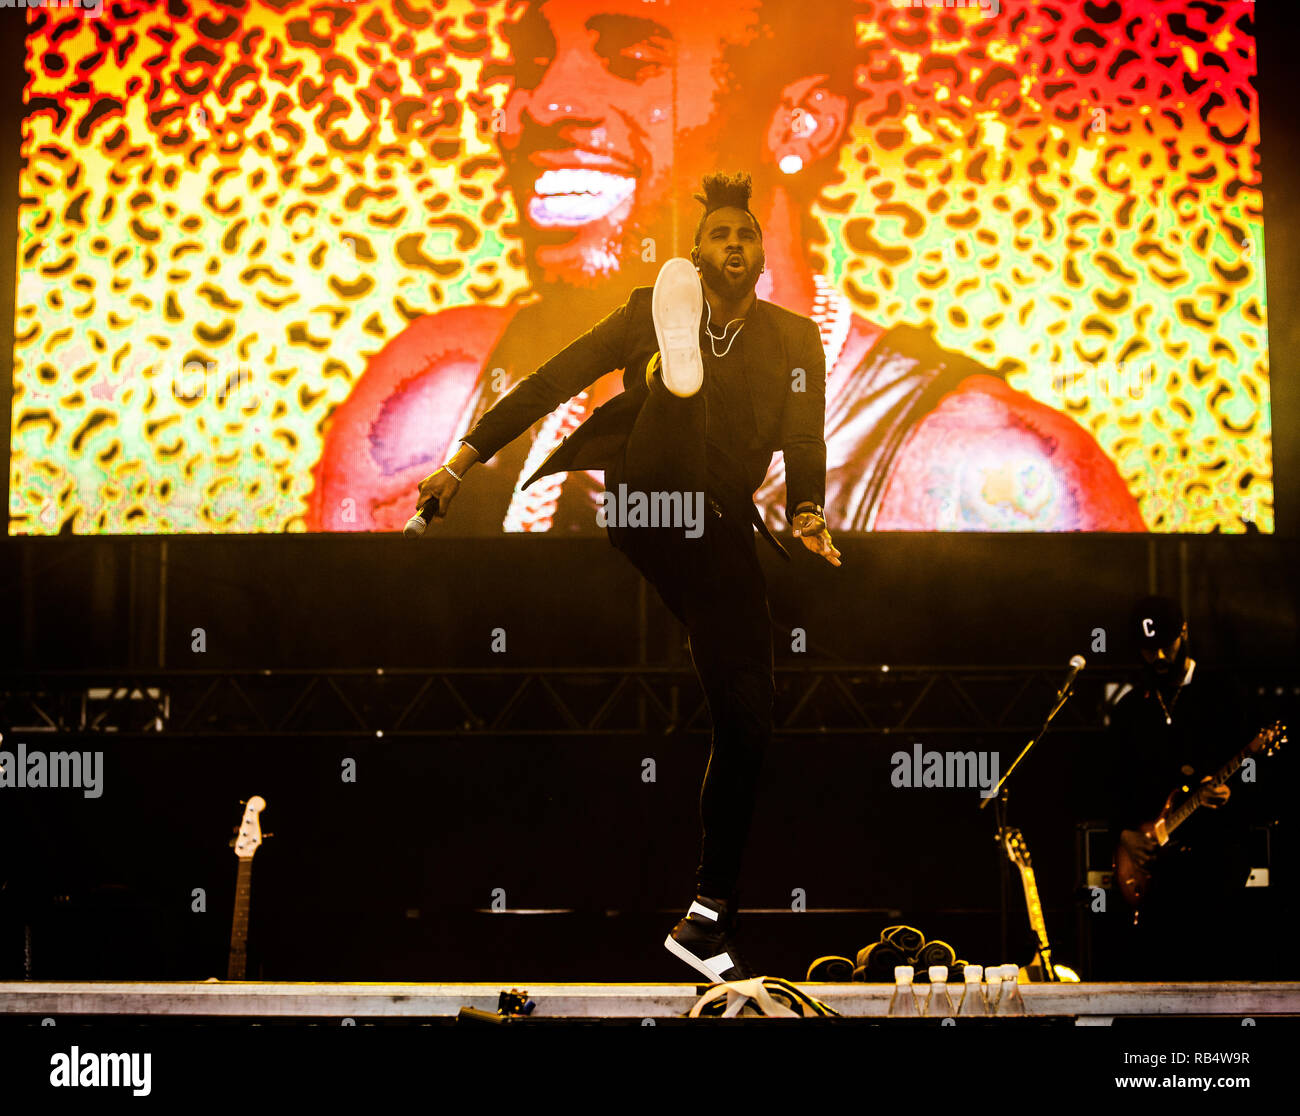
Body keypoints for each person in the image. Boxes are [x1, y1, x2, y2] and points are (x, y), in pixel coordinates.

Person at [306, 0, 1145, 534]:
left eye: (635, 58)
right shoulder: (431, 412)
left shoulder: (994, 482)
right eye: (532, 63)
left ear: (801, 125)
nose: (539, 107)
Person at [413, 172, 839, 981]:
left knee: (750, 715)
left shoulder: (793, 339)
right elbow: (552, 382)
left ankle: (709, 914)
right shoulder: (648, 307)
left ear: (759, 253)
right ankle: (667, 384)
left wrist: (810, 512)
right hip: (648, 499)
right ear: (696, 253)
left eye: (746, 234)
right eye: (720, 235)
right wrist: (461, 462)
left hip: (714, 528)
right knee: (663, 399)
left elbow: (805, 438)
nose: (737, 244)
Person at [1101, 596, 1255, 980]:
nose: (1157, 656)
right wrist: (1123, 834)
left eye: (1165, 645)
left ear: (1183, 633)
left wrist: (1236, 792)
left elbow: (1254, 767)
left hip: (1213, 860)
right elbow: (1108, 782)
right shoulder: (1131, 708)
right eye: (1147, 649)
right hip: (1155, 867)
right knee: (1155, 971)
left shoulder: (1224, 692)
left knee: (1213, 968)